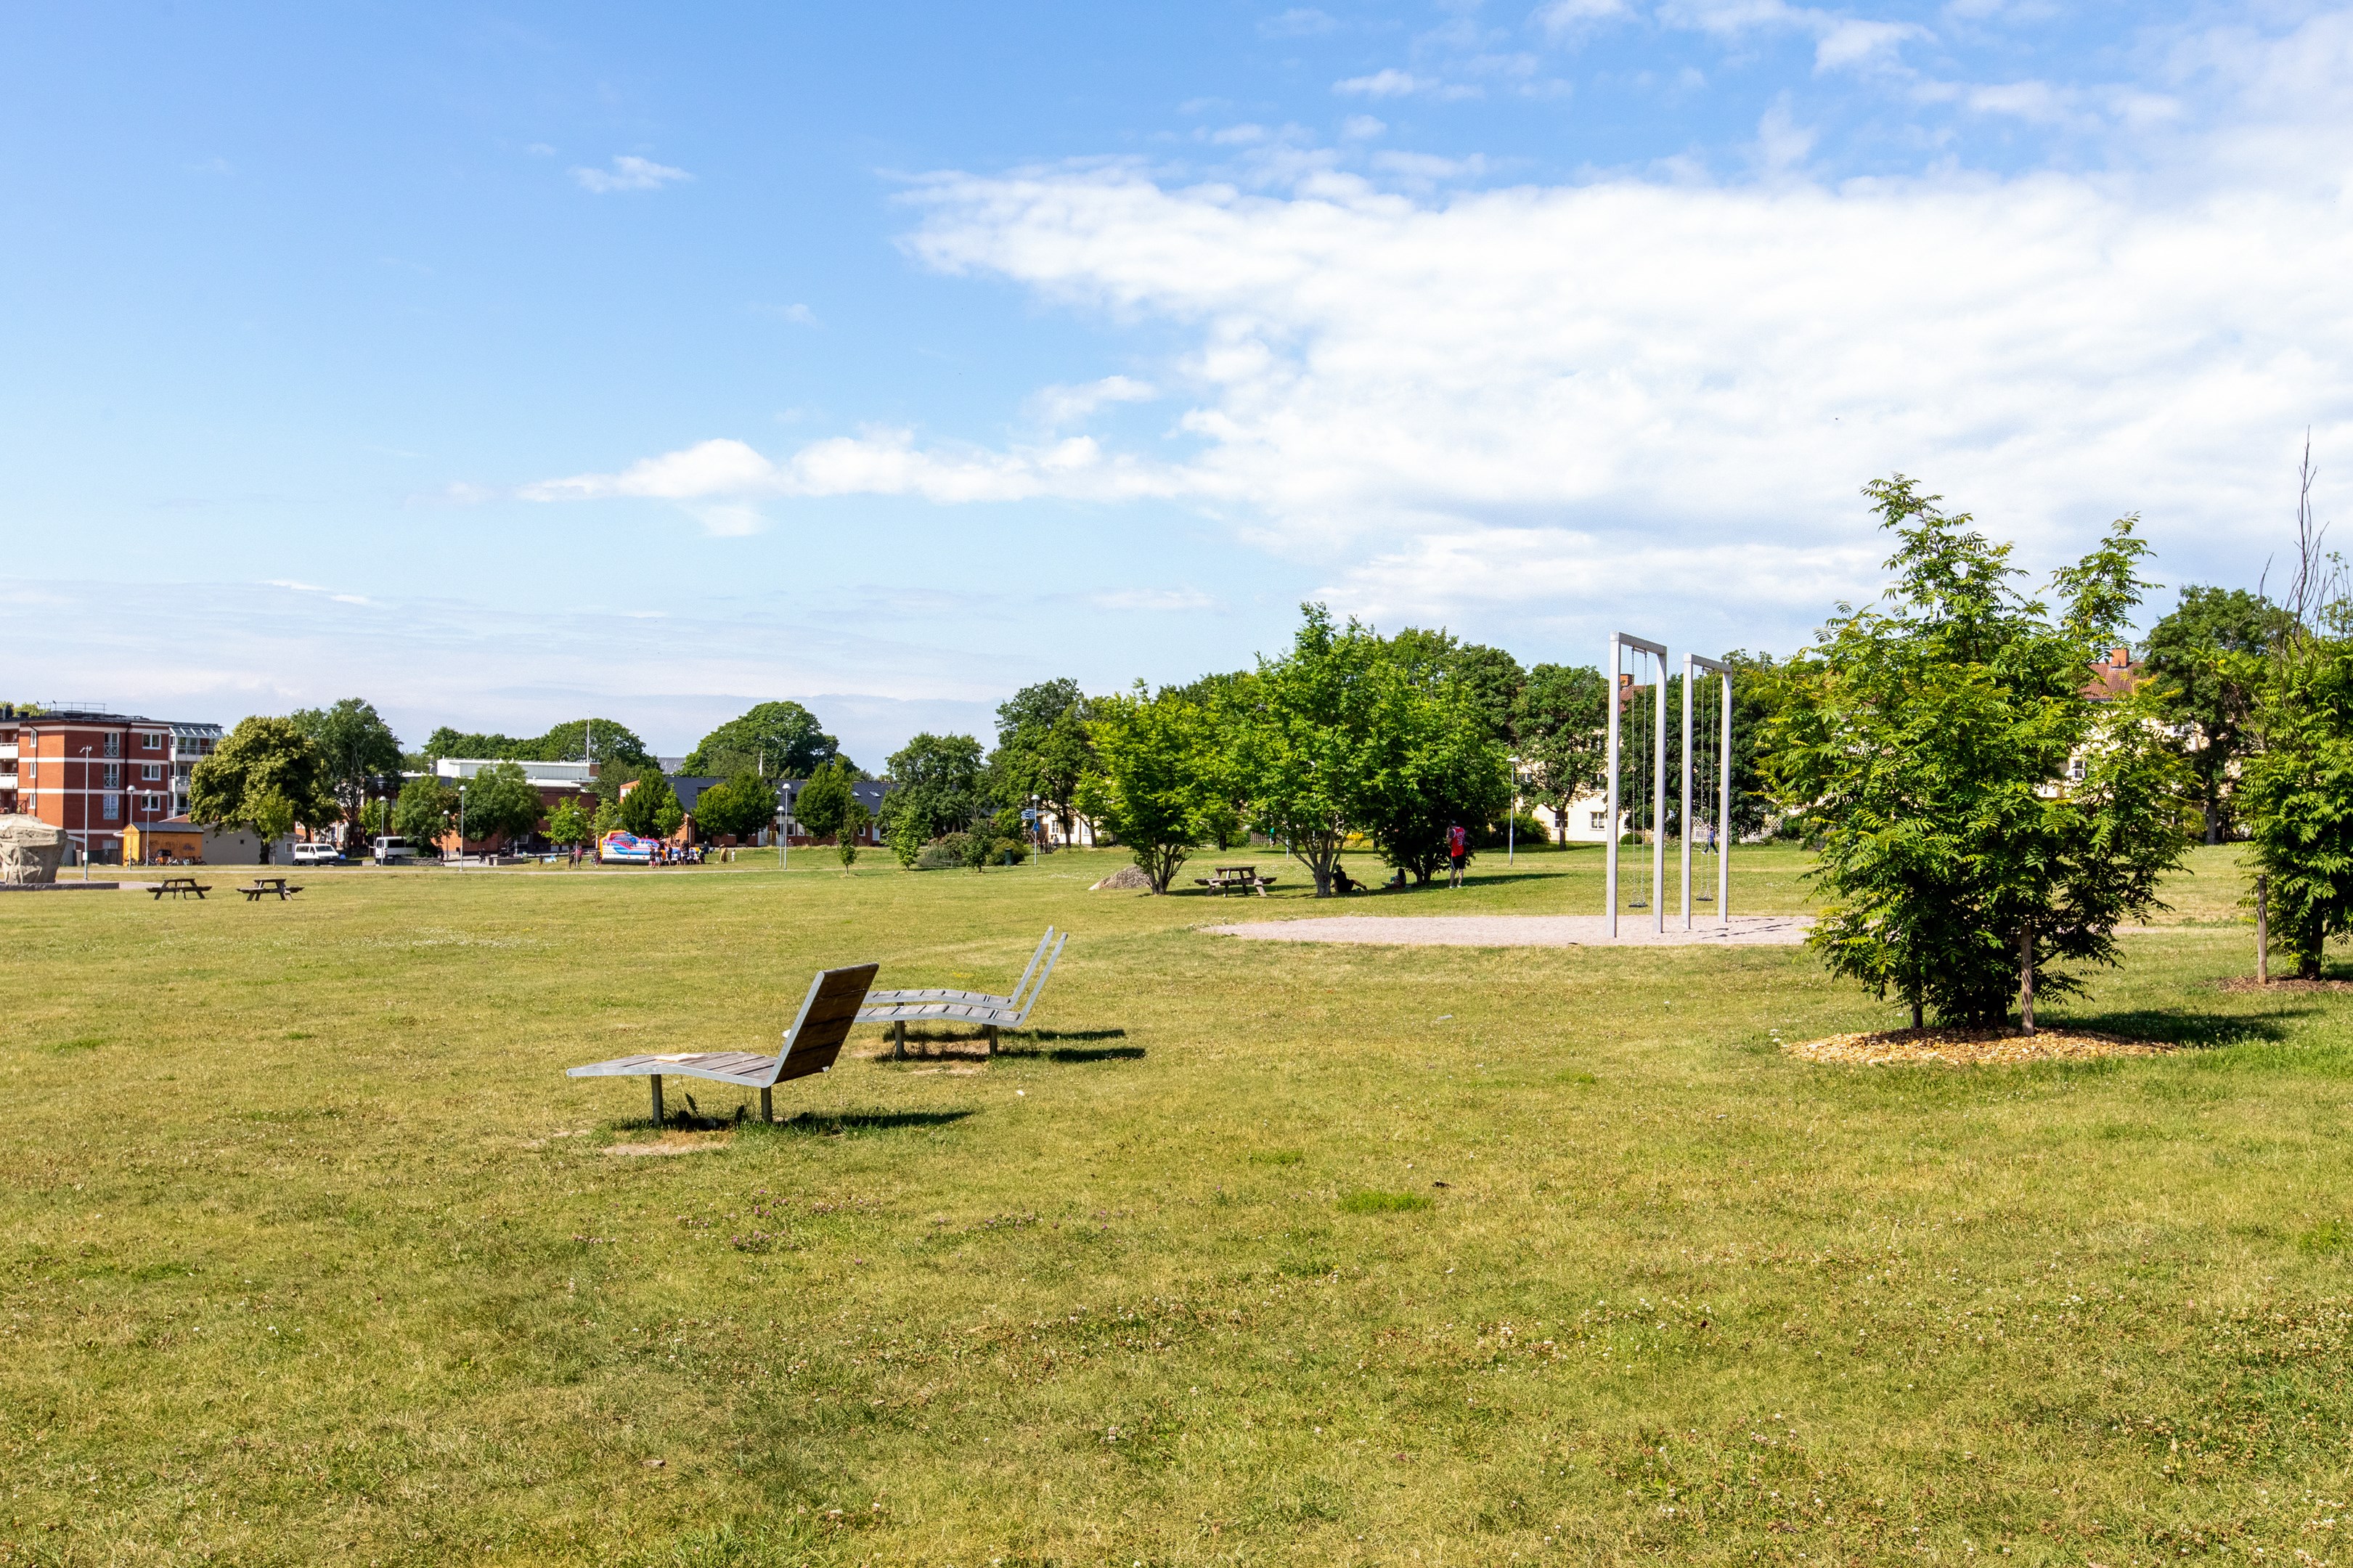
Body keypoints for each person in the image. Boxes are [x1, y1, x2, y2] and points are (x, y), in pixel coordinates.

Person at [1446, 822, 1469, 887]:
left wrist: (1447, 833)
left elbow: (1448, 842)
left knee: (1453, 869)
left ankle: (1451, 884)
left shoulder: (1452, 831)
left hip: (1455, 853)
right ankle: (1459, 884)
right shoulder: (1462, 830)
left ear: (1451, 826)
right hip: (1463, 852)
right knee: (1461, 869)